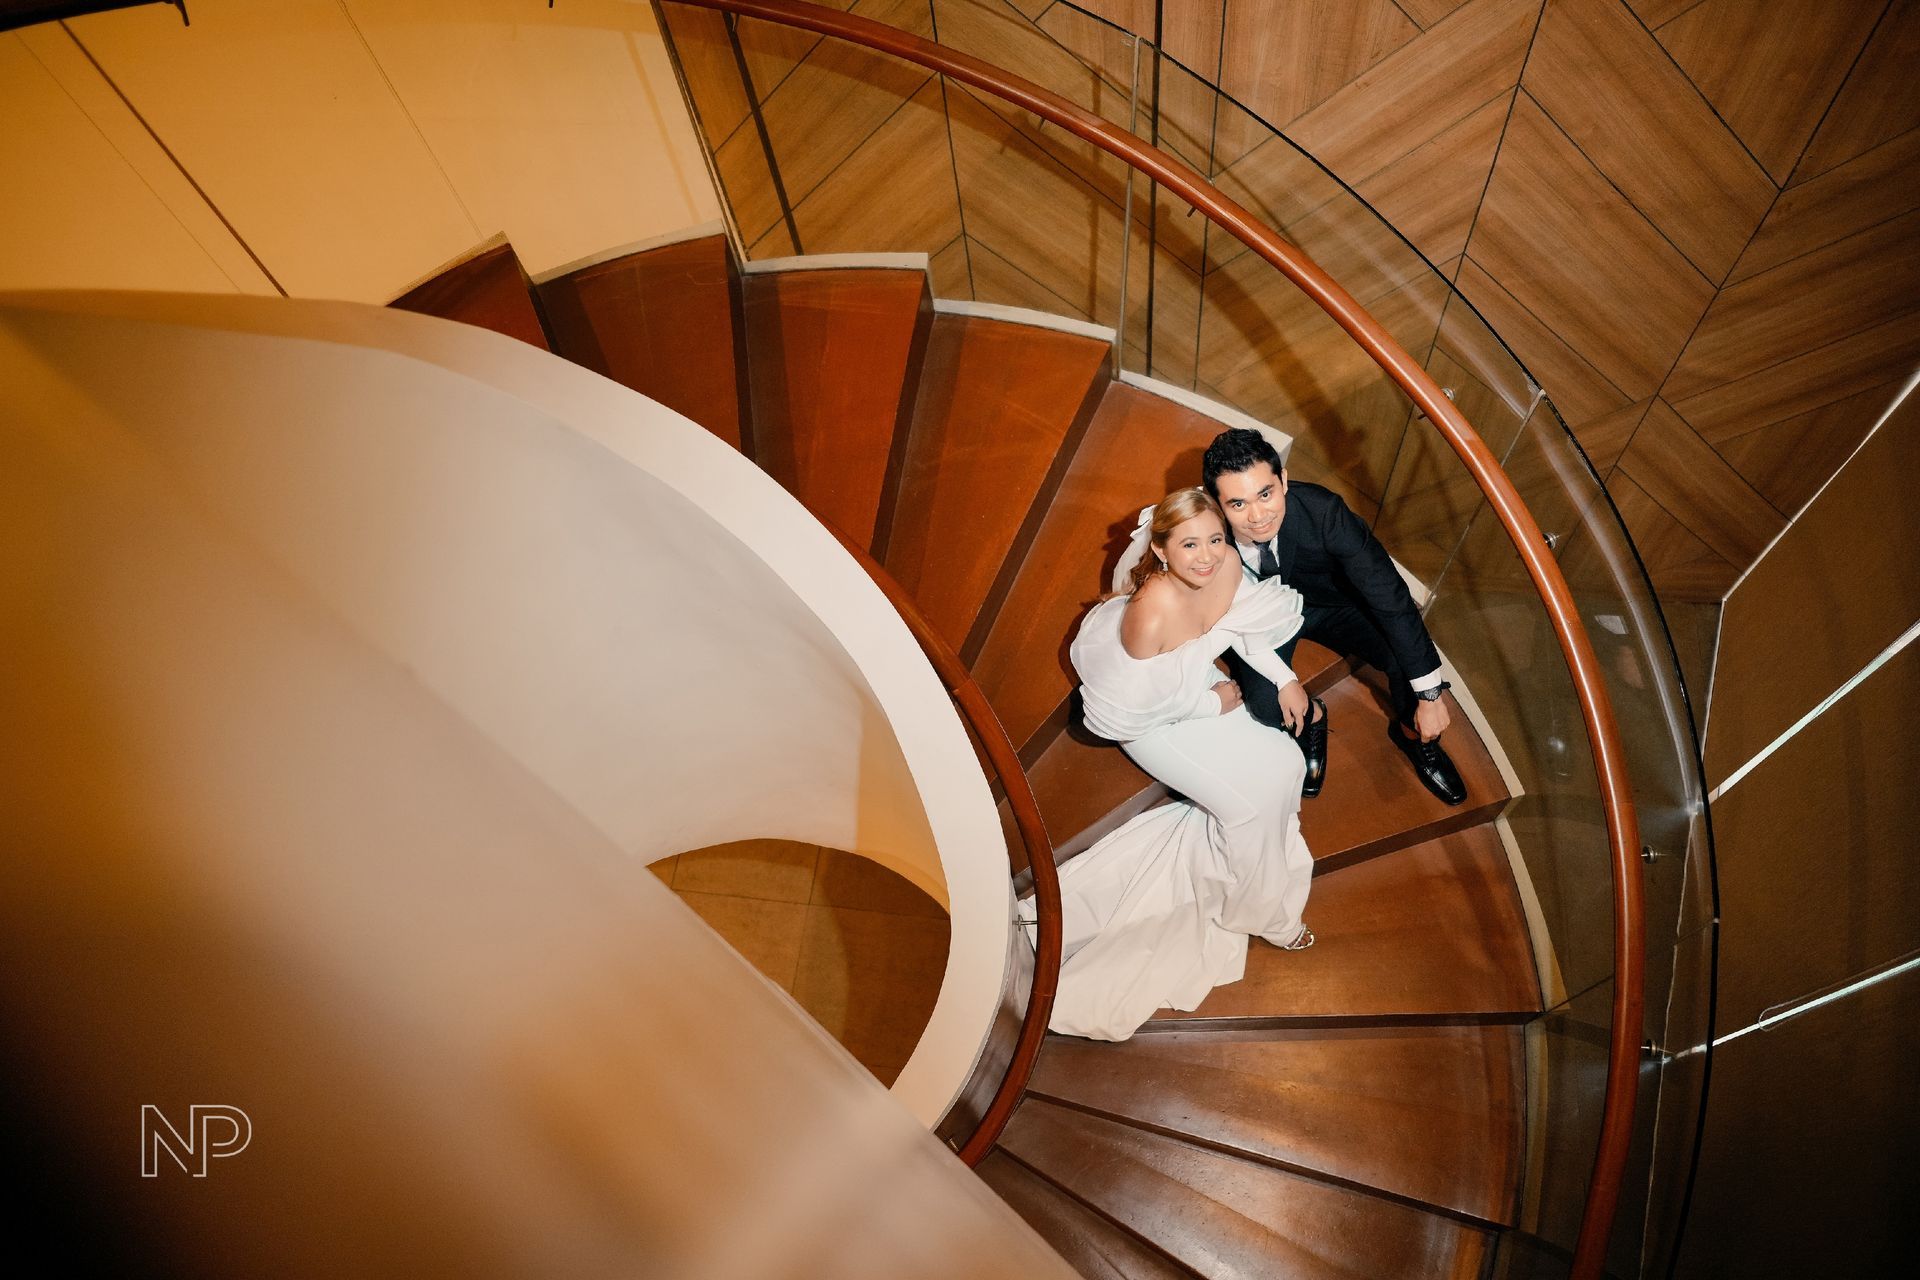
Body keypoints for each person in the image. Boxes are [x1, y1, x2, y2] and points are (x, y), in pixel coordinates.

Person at [1020, 488, 1317, 1042]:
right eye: (1189, 545)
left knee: (1283, 761)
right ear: (1160, 550)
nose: (1207, 557)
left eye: (1215, 539)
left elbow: (1242, 628)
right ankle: (1268, 917)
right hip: (1155, 720)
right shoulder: (1149, 612)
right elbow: (1135, 703)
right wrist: (1213, 704)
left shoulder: (1227, 565)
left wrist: (1286, 680)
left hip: (1191, 683)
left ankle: (1235, 855)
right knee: (1249, 810)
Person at [1201, 427, 1467, 805]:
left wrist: (1430, 694)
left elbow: (1389, 594)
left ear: (1284, 481)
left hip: (1332, 606)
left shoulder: (1324, 512)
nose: (1258, 516)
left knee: (1410, 666)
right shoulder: (1206, 534)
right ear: (1216, 504)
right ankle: (1314, 718)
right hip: (1263, 620)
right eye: (1238, 504)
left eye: (1266, 494)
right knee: (1265, 706)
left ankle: (1414, 739)